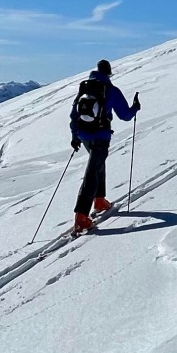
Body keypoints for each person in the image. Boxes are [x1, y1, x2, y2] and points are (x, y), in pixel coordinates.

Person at [67, 59, 140, 235]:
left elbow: (74, 114)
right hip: (101, 136)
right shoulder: (111, 91)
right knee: (92, 171)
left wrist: (74, 136)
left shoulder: (84, 88)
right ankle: (81, 216)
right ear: (108, 74)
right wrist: (135, 107)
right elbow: (124, 115)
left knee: (98, 165)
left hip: (83, 135)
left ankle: (99, 200)